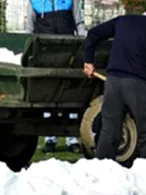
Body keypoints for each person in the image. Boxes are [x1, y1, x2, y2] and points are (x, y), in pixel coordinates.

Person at [83, 0, 146, 166]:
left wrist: (88, 61)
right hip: (137, 84)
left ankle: (102, 167)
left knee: (109, 129)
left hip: (112, 82)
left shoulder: (123, 21)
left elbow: (93, 34)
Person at [25, 0, 85, 154]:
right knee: (48, 98)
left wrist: (83, 46)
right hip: (45, 55)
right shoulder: (34, 2)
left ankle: (72, 139)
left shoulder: (71, 1)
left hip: (69, 53)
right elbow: (30, 28)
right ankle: (50, 139)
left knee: (70, 96)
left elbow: (79, 23)